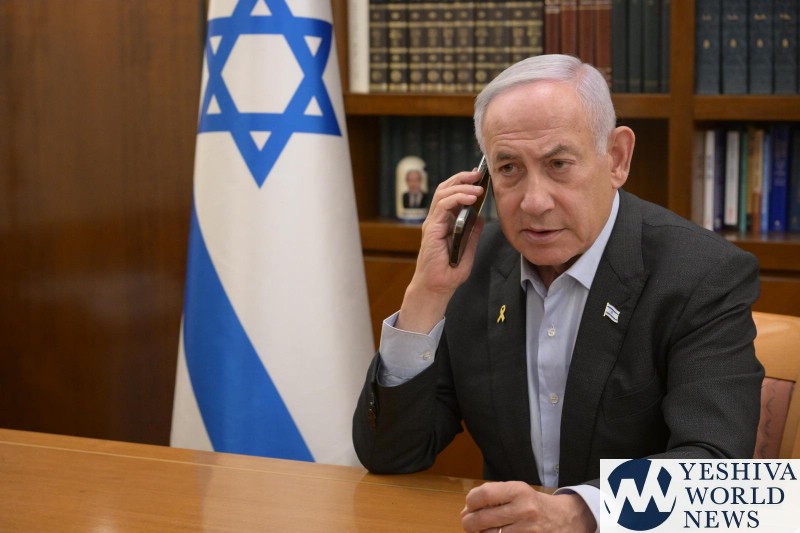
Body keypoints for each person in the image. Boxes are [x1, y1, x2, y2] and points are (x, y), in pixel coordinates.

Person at [352, 54, 763, 532]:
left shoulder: (701, 274)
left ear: (617, 158)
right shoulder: (471, 268)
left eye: (559, 164)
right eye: (509, 168)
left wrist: (578, 513)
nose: (534, 201)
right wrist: (426, 294)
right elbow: (391, 455)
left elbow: (719, 473)